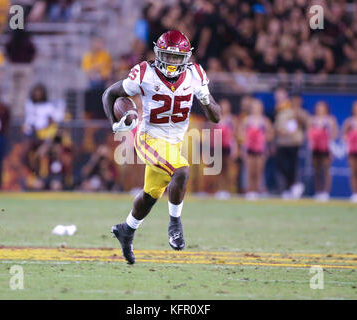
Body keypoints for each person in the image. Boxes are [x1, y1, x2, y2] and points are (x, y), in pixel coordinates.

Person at [102, 30, 221, 264]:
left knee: (150, 196)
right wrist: (114, 124)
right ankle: (175, 225)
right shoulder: (145, 73)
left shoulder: (195, 74)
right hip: (148, 138)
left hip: (172, 143)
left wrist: (206, 99)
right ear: (158, 54)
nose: (172, 62)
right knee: (182, 170)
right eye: (168, 56)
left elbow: (216, 117)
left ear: (186, 58)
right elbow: (110, 94)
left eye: (177, 58)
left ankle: (126, 230)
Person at [273, 88, 308, 199]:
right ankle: (288, 187)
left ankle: (292, 187)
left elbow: (308, 123)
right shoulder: (283, 111)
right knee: (282, 166)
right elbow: (277, 126)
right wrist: (282, 132)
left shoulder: (301, 112)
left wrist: (298, 116)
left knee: (293, 167)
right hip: (283, 143)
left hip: (294, 143)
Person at [240, 99, 273, 200]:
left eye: (258, 107)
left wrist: (262, 138)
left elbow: (271, 134)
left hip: (260, 149)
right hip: (249, 148)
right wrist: (246, 141)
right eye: (254, 107)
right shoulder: (247, 120)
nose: (256, 109)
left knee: (258, 170)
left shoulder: (265, 121)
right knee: (250, 170)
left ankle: (257, 189)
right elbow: (240, 133)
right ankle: (250, 190)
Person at [307, 101, 338, 202]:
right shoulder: (312, 120)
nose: (320, 109)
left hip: (326, 147)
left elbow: (335, 133)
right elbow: (309, 133)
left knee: (326, 169)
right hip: (316, 148)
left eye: (322, 107)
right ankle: (318, 191)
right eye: (318, 107)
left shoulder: (330, 120)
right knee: (316, 170)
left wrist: (326, 139)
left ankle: (326, 192)